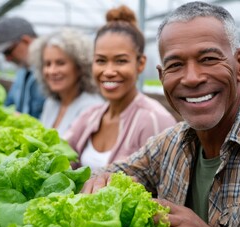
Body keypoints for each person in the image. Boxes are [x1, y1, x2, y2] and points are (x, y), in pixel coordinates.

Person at [81, 1, 240, 227]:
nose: (192, 78)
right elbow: (112, 173)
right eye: (176, 65)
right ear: (162, 77)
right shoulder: (171, 144)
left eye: (208, 59)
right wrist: (101, 181)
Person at [64, 5, 177, 172]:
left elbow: (164, 188)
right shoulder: (90, 116)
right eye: (101, 61)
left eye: (121, 61)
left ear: (140, 64)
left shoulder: (154, 120)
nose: (108, 72)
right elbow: (61, 154)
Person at [28, 28, 104, 136]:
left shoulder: (92, 108)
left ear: (80, 67)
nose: (52, 71)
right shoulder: (51, 103)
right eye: (47, 64)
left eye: (60, 63)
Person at [0, 17, 45, 118]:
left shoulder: (52, 75)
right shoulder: (22, 73)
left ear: (26, 41)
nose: (7, 59)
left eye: (8, 52)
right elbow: (9, 106)